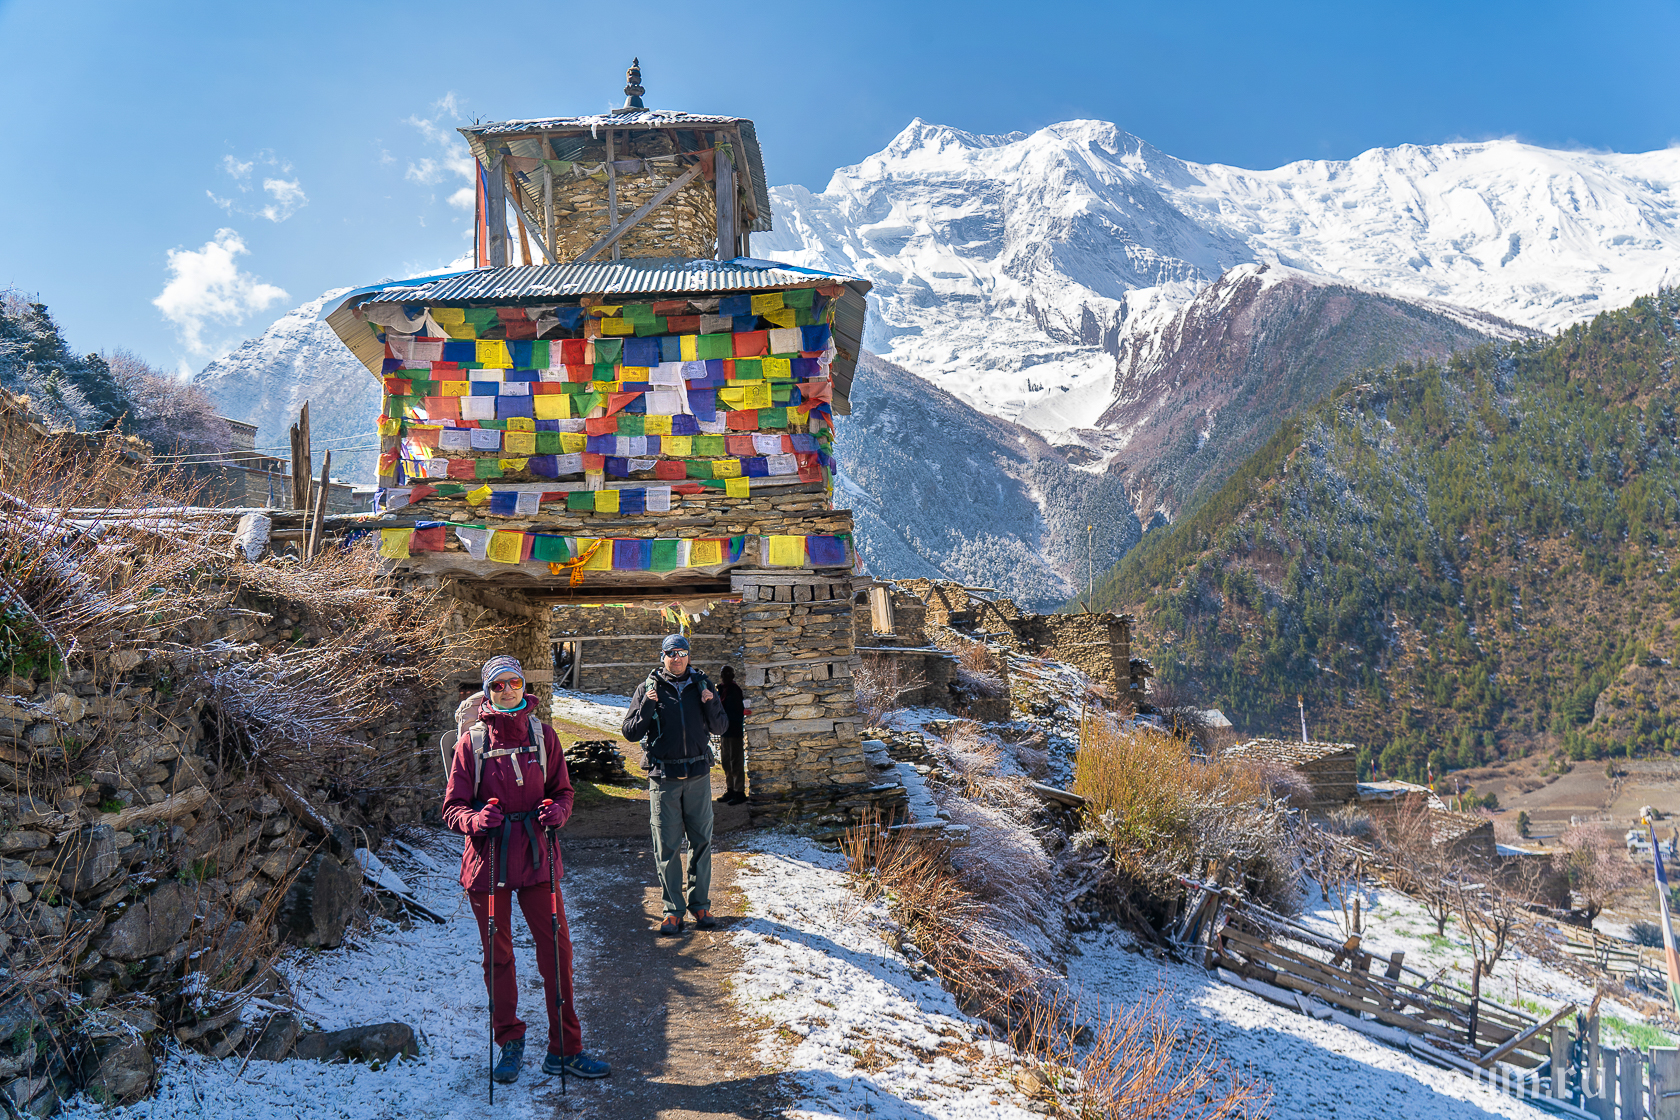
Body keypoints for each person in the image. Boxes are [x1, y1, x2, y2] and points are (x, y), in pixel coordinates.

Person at [442, 655, 611, 1085]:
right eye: (497, 685)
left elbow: (564, 792)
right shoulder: (471, 744)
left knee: (557, 951)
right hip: (489, 860)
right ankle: (510, 1042)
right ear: (487, 691)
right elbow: (452, 808)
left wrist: (559, 812)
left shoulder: (543, 736)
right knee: (498, 957)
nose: (507, 691)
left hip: (538, 857)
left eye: (513, 682)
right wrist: (475, 820)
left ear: (523, 686)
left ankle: (565, 1049)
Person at [621, 634, 728, 935]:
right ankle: (673, 911)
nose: (677, 658)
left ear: (689, 656)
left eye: (682, 652)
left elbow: (721, 727)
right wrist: (647, 705)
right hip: (664, 778)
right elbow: (630, 732)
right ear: (663, 656)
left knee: (701, 843)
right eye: (671, 653)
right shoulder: (648, 689)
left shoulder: (702, 686)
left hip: (697, 776)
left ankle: (701, 906)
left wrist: (710, 703)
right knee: (667, 847)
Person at [717, 666, 747, 805]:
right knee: (726, 761)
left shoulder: (734, 690)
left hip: (734, 730)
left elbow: (738, 710)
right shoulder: (721, 690)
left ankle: (739, 791)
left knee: (736, 761)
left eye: (728, 673)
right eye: (723, 674)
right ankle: (730, 789)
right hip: (725, 730)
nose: (725, 676)